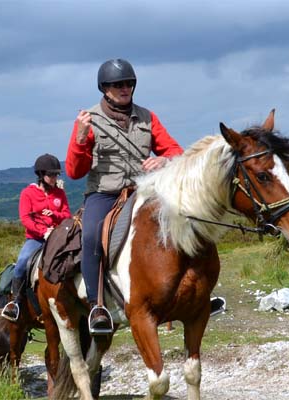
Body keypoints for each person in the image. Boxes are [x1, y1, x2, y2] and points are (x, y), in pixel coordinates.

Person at [66, 58, 183, 334]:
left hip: (144, 190)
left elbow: (175, 150)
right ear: (104, 88)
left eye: (129, 83)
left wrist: (163, 161)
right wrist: (81, 139)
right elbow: (74, 170)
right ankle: (97, 306)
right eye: (118, 84)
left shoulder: (148, 117)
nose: (125, 88)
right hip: (104, 194)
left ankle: (191, 294)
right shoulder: (88, 121)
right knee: (92, 235)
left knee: (184, 218)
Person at [2, 154, 71, 322]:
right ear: (41, 175)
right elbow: (25, 219)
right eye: (51, 175)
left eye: (56, 175)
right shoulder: (28, 193)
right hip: (36, 239)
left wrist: (54, 215)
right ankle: (16, 303)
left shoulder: (59, 193)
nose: (54, 178)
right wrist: (42, 232)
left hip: (57, 237)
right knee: (21, 264)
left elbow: (67, 215)